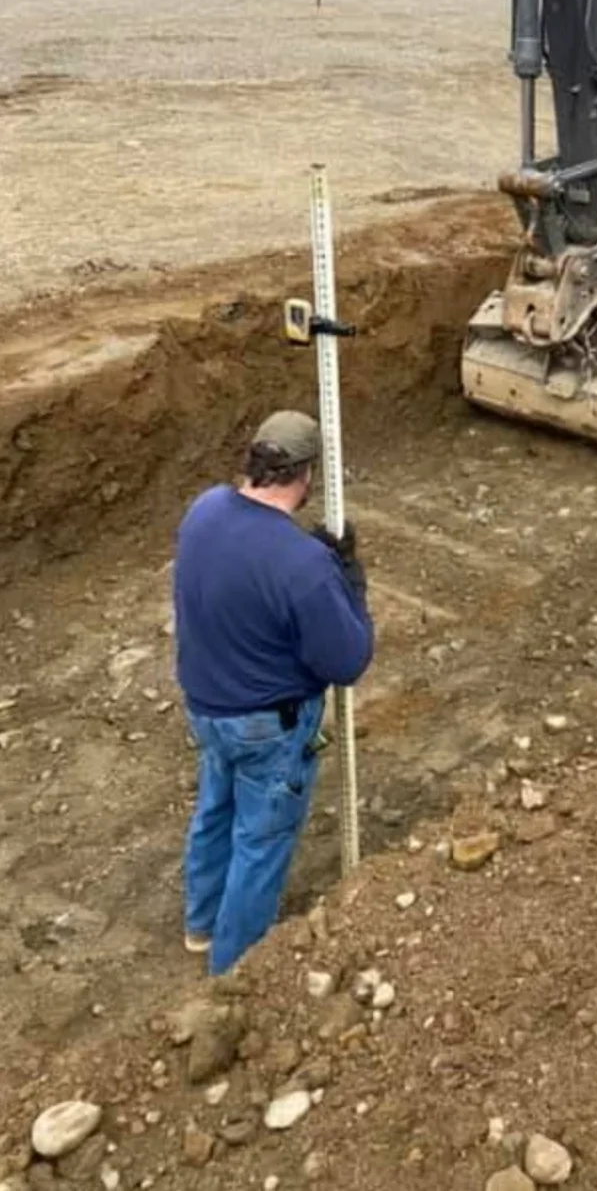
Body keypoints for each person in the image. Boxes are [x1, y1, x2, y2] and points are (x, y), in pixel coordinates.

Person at [171, 409, 374, 975]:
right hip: (267, 727)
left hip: (207, 707)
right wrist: (350, 580)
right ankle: (234, 974)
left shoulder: (203, 511)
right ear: (307, 476)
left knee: (216, 808)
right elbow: (347, 660)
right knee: (260, 840)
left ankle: (201, 925)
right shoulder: (302, 564)